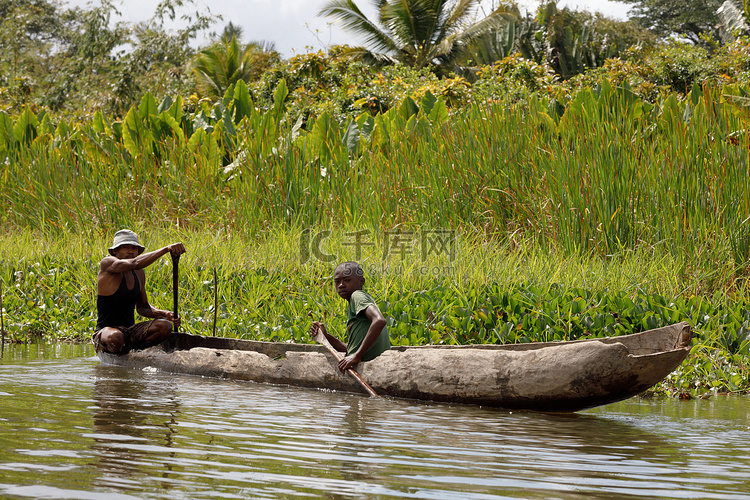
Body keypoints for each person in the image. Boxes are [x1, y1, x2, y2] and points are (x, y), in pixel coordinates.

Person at [93, 229, 186, 354]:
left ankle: (136, 352)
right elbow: (134, 263)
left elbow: (143, 308)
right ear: (115, 251)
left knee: (165, 326)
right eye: (125, 247)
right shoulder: (107, 263)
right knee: (116, 336)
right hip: (107, 332)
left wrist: (166, 314)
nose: (131, 251)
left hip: (129, 331)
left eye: (134, 248)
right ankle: (122, 352)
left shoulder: (139, 273)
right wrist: (166, 249)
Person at [310, 261, 391, 372]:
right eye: (337, 281)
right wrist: (326, 336)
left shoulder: (357, 296)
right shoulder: (356, 304)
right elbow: (350, 349)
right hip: (370, 362)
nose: (341, 285)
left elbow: (380, 321)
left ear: (361, 282)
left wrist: (357, 356)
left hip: (371, 366)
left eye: (347, 280)